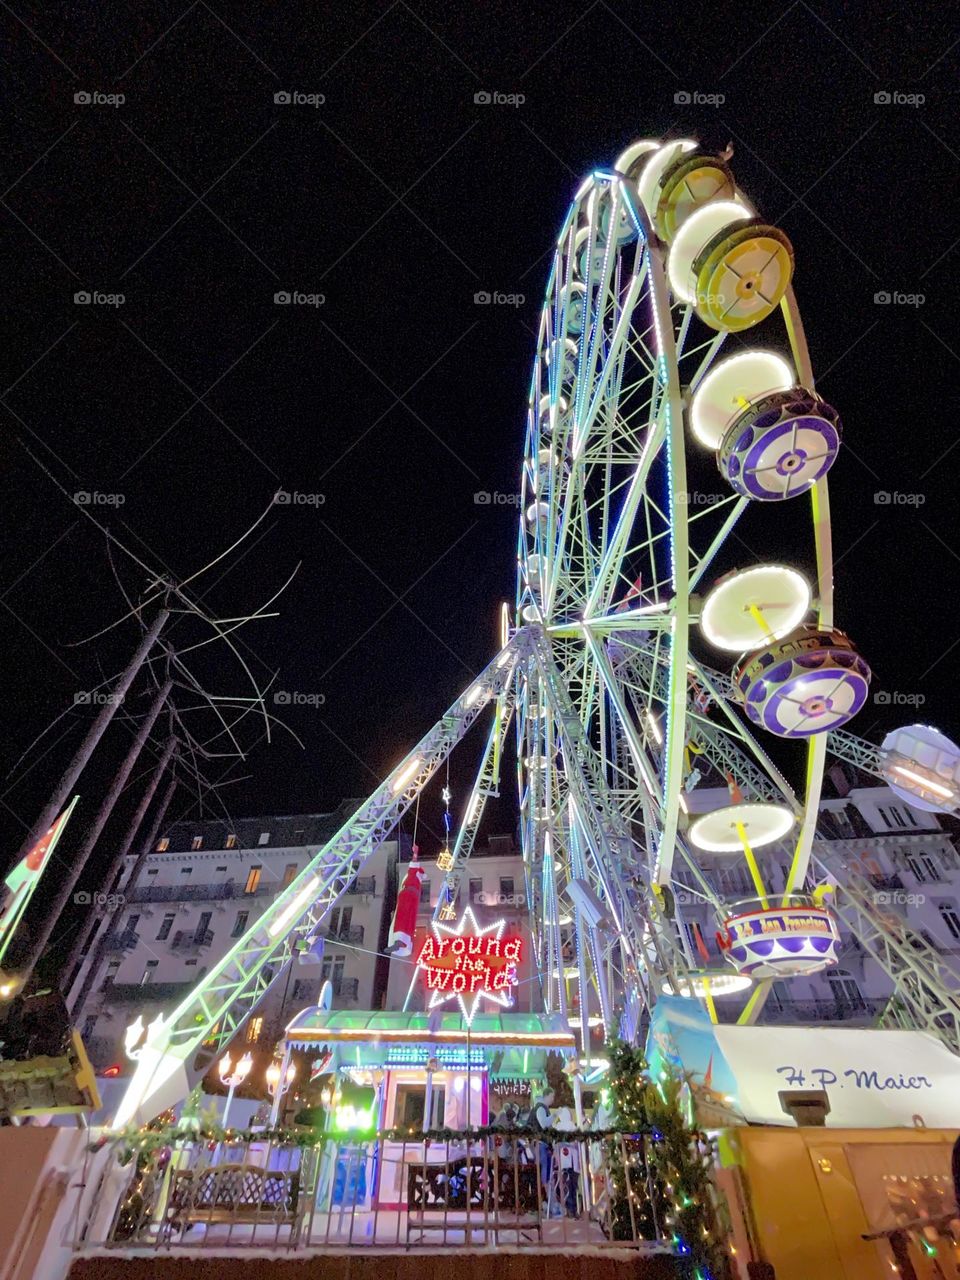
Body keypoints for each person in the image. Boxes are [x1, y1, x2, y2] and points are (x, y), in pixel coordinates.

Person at [530, 1088, 556, 1213]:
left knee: (543, 1173)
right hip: (540, 1144)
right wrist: (555, 1115)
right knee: (543, 1174)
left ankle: (544, 1201)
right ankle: (544, 1201)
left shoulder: (540, 1108)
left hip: (541, 1144)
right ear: (546, 1096)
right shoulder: (541, 1108)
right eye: (552, 1096)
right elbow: (544, 1123)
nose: (553, 1099)